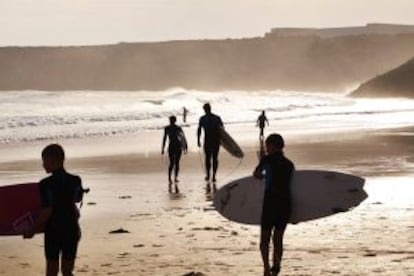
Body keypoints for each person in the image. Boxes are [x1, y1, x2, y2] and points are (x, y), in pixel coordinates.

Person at [23, 144, 84, 276]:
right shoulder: (76, 180)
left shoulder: (45, 184)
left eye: (44, 161)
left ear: (52, 161)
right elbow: (77, 199)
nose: (43, 165)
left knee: (51, 271)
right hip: (71, 229)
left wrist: (31, 230)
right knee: (67, 271)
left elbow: (47, 211)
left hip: (54, 231)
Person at [253, 134, 295, 276]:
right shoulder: (290, 164)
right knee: (278, 238)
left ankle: (266, 268)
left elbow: (257, 174)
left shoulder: (267, 160)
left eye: (267, 145)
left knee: (265, 238)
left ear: (272, 146)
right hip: (285, 204)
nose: (266, 148)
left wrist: (262, 170)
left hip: (270, 203)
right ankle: (276, 267)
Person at [197, 103, 223, 182]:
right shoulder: (215, 118)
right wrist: (198, 139)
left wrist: (198, 140)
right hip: (212, 140)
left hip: (212, 140)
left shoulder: (206, 118)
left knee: (212, 158)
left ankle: (212, 175)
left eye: (206, 109)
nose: (206, 110)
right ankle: (210, 175)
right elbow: (199, 129)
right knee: (211, 158)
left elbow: (222, 131)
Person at [162, 115, 187, 187]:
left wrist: (185, 146)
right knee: (173, 163)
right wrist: (163, 148)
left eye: (172, 120)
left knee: (175, 163)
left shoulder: (176, 128)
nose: (171, 122)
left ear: (174, 121)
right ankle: (171, 178)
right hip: (174, 146)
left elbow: (183, 138)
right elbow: (165, 138)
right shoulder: (169, 128)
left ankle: (174, 177)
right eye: (171, 120)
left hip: (176, 146)